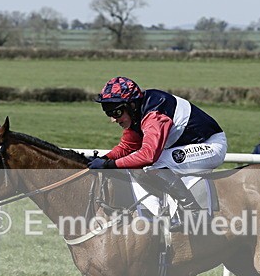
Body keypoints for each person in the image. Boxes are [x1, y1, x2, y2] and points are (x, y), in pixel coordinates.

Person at [89, 76, 227, 214]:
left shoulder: (154, 115)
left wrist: (110, 165)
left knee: (151, 164)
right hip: (187, 146)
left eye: (116, 112)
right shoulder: (137, 114)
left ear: (131, 105)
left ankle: (192, 210)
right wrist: (104, 158)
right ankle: (160, 213)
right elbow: (127, 147)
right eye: (108, 113)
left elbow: (149, 156)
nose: (113, 119)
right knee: (135, 164)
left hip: (210, 146)